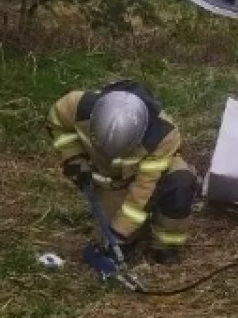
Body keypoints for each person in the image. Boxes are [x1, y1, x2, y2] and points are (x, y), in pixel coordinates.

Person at [48, 80, 198, 265]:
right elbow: (58, 124)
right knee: (106, 241)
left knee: (180, 182)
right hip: (112, 179)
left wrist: (119, 232)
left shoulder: (163, 135)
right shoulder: (75, 106)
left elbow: (145, 189)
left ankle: (166, 247)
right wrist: (74, 159)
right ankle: (130, 233)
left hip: (151, 174)